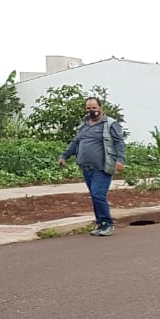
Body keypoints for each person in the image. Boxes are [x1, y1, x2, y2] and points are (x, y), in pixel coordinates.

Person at [58, 97, 126, 237]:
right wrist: (64, 156)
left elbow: (119, 143)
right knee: (95, 196)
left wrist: (120, 160)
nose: (91, 111)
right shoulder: (84, 125)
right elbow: (75, 142)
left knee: (98, 194)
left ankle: (107, 224)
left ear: (100, 108)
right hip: (86, 168)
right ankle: (100, 224)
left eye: (94, 108)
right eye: (88, 109)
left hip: (102, 168)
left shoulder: (110, 124)